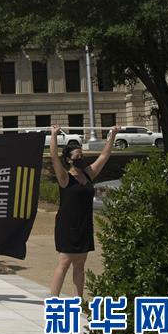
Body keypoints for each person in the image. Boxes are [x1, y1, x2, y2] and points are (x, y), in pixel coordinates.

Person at [48, 124, 120, 299]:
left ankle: (78, 302)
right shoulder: (65, 178)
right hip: (67, 226)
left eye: (82, 155)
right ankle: (52, 301)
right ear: (69, 159)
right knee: (64, 263)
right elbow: (54, 156)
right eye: (77, 156)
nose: (81, 158)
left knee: (80, 265)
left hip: (84, 225)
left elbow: (104, 155)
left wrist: (112, 134)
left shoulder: (88, 174)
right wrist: (54, 135)